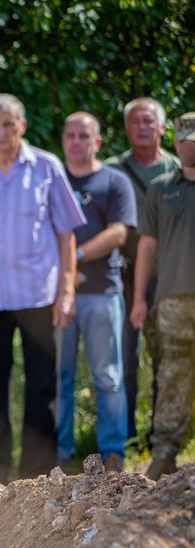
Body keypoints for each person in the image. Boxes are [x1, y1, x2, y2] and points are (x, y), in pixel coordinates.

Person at [0, 94, 85, 490]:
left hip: (38, 294)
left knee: (41, 385)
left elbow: (66, 235)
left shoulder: (46, 167)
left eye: (9, 125)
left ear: (22, 126)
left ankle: (36, 479)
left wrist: (67, 292)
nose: (2, 133)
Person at [57, 113, 136, 472]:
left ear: (97, 141)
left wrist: (74, 257)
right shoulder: (51, 181)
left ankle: (113, 454)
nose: (76, 141)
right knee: (59, 377)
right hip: (58, 296)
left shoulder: (114, 181)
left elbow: (119, 233)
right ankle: (60, 457)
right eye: (70, 135)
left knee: (108, 377)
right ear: (63, 139)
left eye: (83, 136)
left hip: (102, 292)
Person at [106, 98, 181, 443]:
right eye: (136, 121)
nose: (143, 127)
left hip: (166, 276)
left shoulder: (178, 171)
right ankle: (126, 435)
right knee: (123, 356)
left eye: (150, 121)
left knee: (166, 353)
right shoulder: (111, 170)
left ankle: (161, 433)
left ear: (162, 128)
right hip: (120, 275)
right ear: (126, 128)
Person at [130, 112, 195, 480]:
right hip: (171, 298)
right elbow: (146, 248)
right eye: (185, 140)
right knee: (171, 374)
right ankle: (165, 451)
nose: (191, 147)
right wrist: (140, 298)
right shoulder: (159, 189)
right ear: (176, 143)